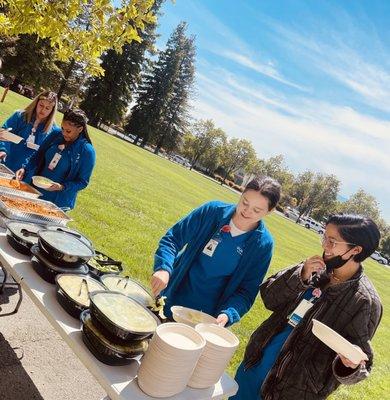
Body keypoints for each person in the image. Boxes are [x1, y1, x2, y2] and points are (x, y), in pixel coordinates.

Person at [231, 214, 382, 400]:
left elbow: (360, 365)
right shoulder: (314, 268)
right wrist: (300, 275)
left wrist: (349, 364)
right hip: (255, 366)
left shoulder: (365, 301)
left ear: (356, 250)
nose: (325, 245)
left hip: (293, 392)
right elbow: (269, 297)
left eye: (332, 241)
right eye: (324, 237)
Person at [150, 176, 281, 327]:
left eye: (257, 210)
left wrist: (228, 314)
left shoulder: (263, 245)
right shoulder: (212, 211)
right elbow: (173, 239)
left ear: (269, 211)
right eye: (245, 202)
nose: (246, 211)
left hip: (206, 320)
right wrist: (163, 268)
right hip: (170, 298)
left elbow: (246, 291)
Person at [15, 108, 96, 210]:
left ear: (80, 129)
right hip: (35, 191)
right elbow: (38, 155)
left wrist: (62, 187)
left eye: (68, 131)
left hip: (57, 203)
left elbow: (83, 182)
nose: (64, 133)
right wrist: (24, 169)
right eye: (62, 128)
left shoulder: (87, 151)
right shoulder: (56, 134)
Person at [0, 91, 59, 171]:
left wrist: (26, 169)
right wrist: (3, 150)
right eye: (41, 105)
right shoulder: (19, 116)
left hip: (25, 172)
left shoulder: (54, 131)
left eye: (47, 108)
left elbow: (42, 155)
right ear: (36, 103)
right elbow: (4, 132)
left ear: (52, 110)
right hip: (5, 161)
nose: (43, 110)